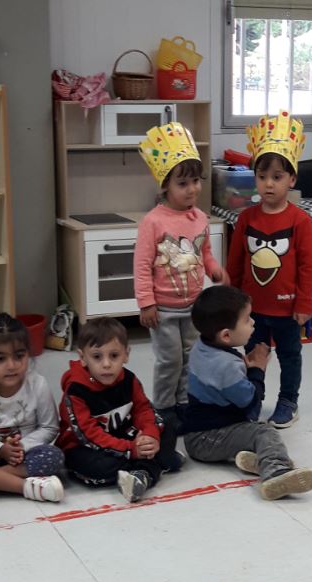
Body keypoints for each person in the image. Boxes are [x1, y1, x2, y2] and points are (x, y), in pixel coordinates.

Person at [182, 286, 312, 500]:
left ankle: (257, 460)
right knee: (264, 432)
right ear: (226, 335)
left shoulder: (202, 346)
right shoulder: (227, 366)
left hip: (196, 434)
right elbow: (250, 404)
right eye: (247, 319)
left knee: (253, 430)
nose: (253, 323)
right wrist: (258, 369)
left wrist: (244, 367)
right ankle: (276, 472)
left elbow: (219, 381)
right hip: (207, 439)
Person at [227, 110, 312, 428]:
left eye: (277, 177)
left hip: (288, 309)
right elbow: (235, 262)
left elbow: (309, 265)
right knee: (254, 354)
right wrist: (233, 301)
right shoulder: (246, 218)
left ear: (292, 179)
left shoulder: (300, 221)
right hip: (252, 309)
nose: (269, 183)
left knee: (290, 356)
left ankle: (288, 401)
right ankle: (254, 399)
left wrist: (305, 302)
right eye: (262, 176)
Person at [134, 121, 229, 427]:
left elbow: (204, 252)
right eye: (183, 183)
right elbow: (141, 265)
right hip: (163, 310)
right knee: (169, 360)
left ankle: (184, 403)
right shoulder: (153, 222)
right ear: (165, 185)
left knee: (191, 356)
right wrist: (146, 303)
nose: (192, 189)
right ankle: (164, 408)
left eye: (196, 181)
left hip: (193, 306)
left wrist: (214, 269)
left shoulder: (199, 217)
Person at [56, 316, 183, 503]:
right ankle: (152, 465)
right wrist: (131, 449)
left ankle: (141, 472)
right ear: (82, 358)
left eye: (114, 356)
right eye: (97, 357)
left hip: (124, 437)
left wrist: (150, 436)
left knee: (167, 427)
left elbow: (144, 410)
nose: (106, 364)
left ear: (126, 354)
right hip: (86, 447)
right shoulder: (76, 391)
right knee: (94, 466)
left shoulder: (129, 379)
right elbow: (89, 436)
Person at [0, 313, 65, 503]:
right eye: (0, 359)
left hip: (23, 456)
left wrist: (21, 447)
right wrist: (0, 449)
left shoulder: (38, 384)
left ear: (28, 354)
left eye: (19, 356)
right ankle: (27, 488)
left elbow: (50, 427)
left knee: (54, 456)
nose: (11, 366)